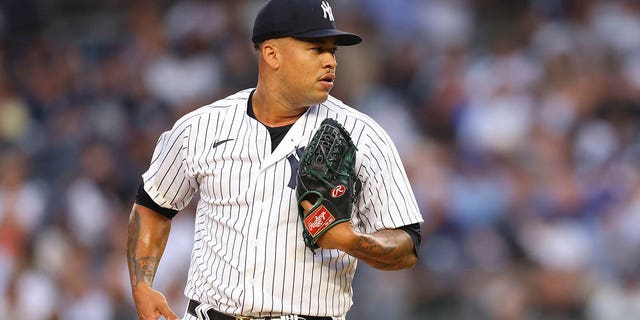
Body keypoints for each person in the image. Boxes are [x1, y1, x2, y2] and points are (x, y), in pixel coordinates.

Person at [126, 0, 424, 319]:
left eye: (332, 50)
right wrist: (142, 284)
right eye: (316, 49)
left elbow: (406, 245)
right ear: (271, 54)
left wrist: (353, 241)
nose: (330, 61)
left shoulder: (363, 136)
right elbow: (154, 206)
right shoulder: (199, 128)